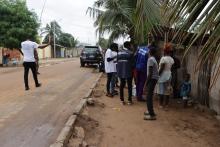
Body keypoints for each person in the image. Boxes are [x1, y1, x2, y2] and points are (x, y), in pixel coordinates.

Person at [157, 43, 174, 110]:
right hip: (169, 75)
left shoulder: (163, 59)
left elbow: (161, 68)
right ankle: (166, 105)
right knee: (167, 91)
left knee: (161, 91)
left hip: (162, 76)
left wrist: (158, 75)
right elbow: (171, 68)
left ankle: (161, 105)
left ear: (164, 51)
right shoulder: (171, 59)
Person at [144, 46, 159, 120]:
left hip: (152, 79)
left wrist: (145, 84)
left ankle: (151, 115)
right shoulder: (153, 59)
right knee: (150, 95)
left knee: (149, 96)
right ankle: (150, 111)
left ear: (149, 52)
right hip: (154, 78)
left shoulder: (150, 59)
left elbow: (150, 73)